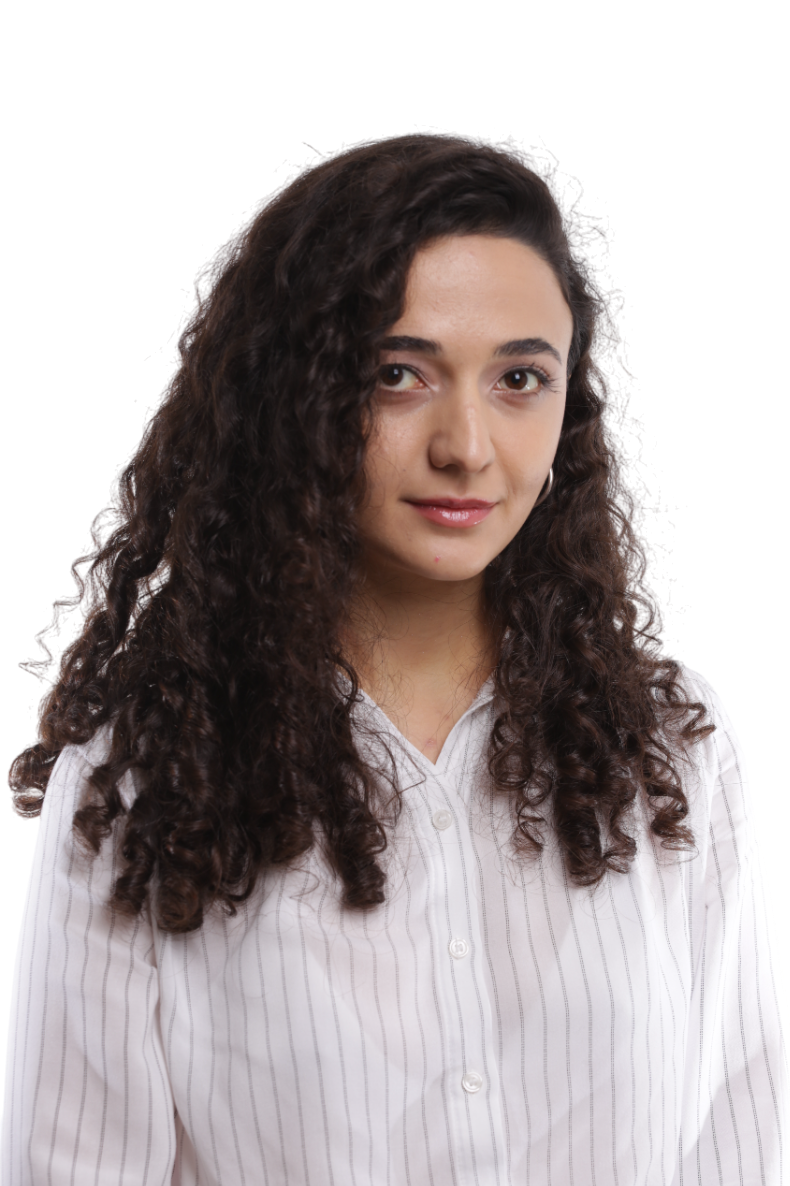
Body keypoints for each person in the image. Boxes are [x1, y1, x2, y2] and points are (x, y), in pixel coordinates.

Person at [3, 130, 787, 1185]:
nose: (467, 446)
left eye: (520, 378)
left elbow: (736, 1138)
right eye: (398, 374)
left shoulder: (671, 750)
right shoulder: (141, 783)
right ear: (298, 395)